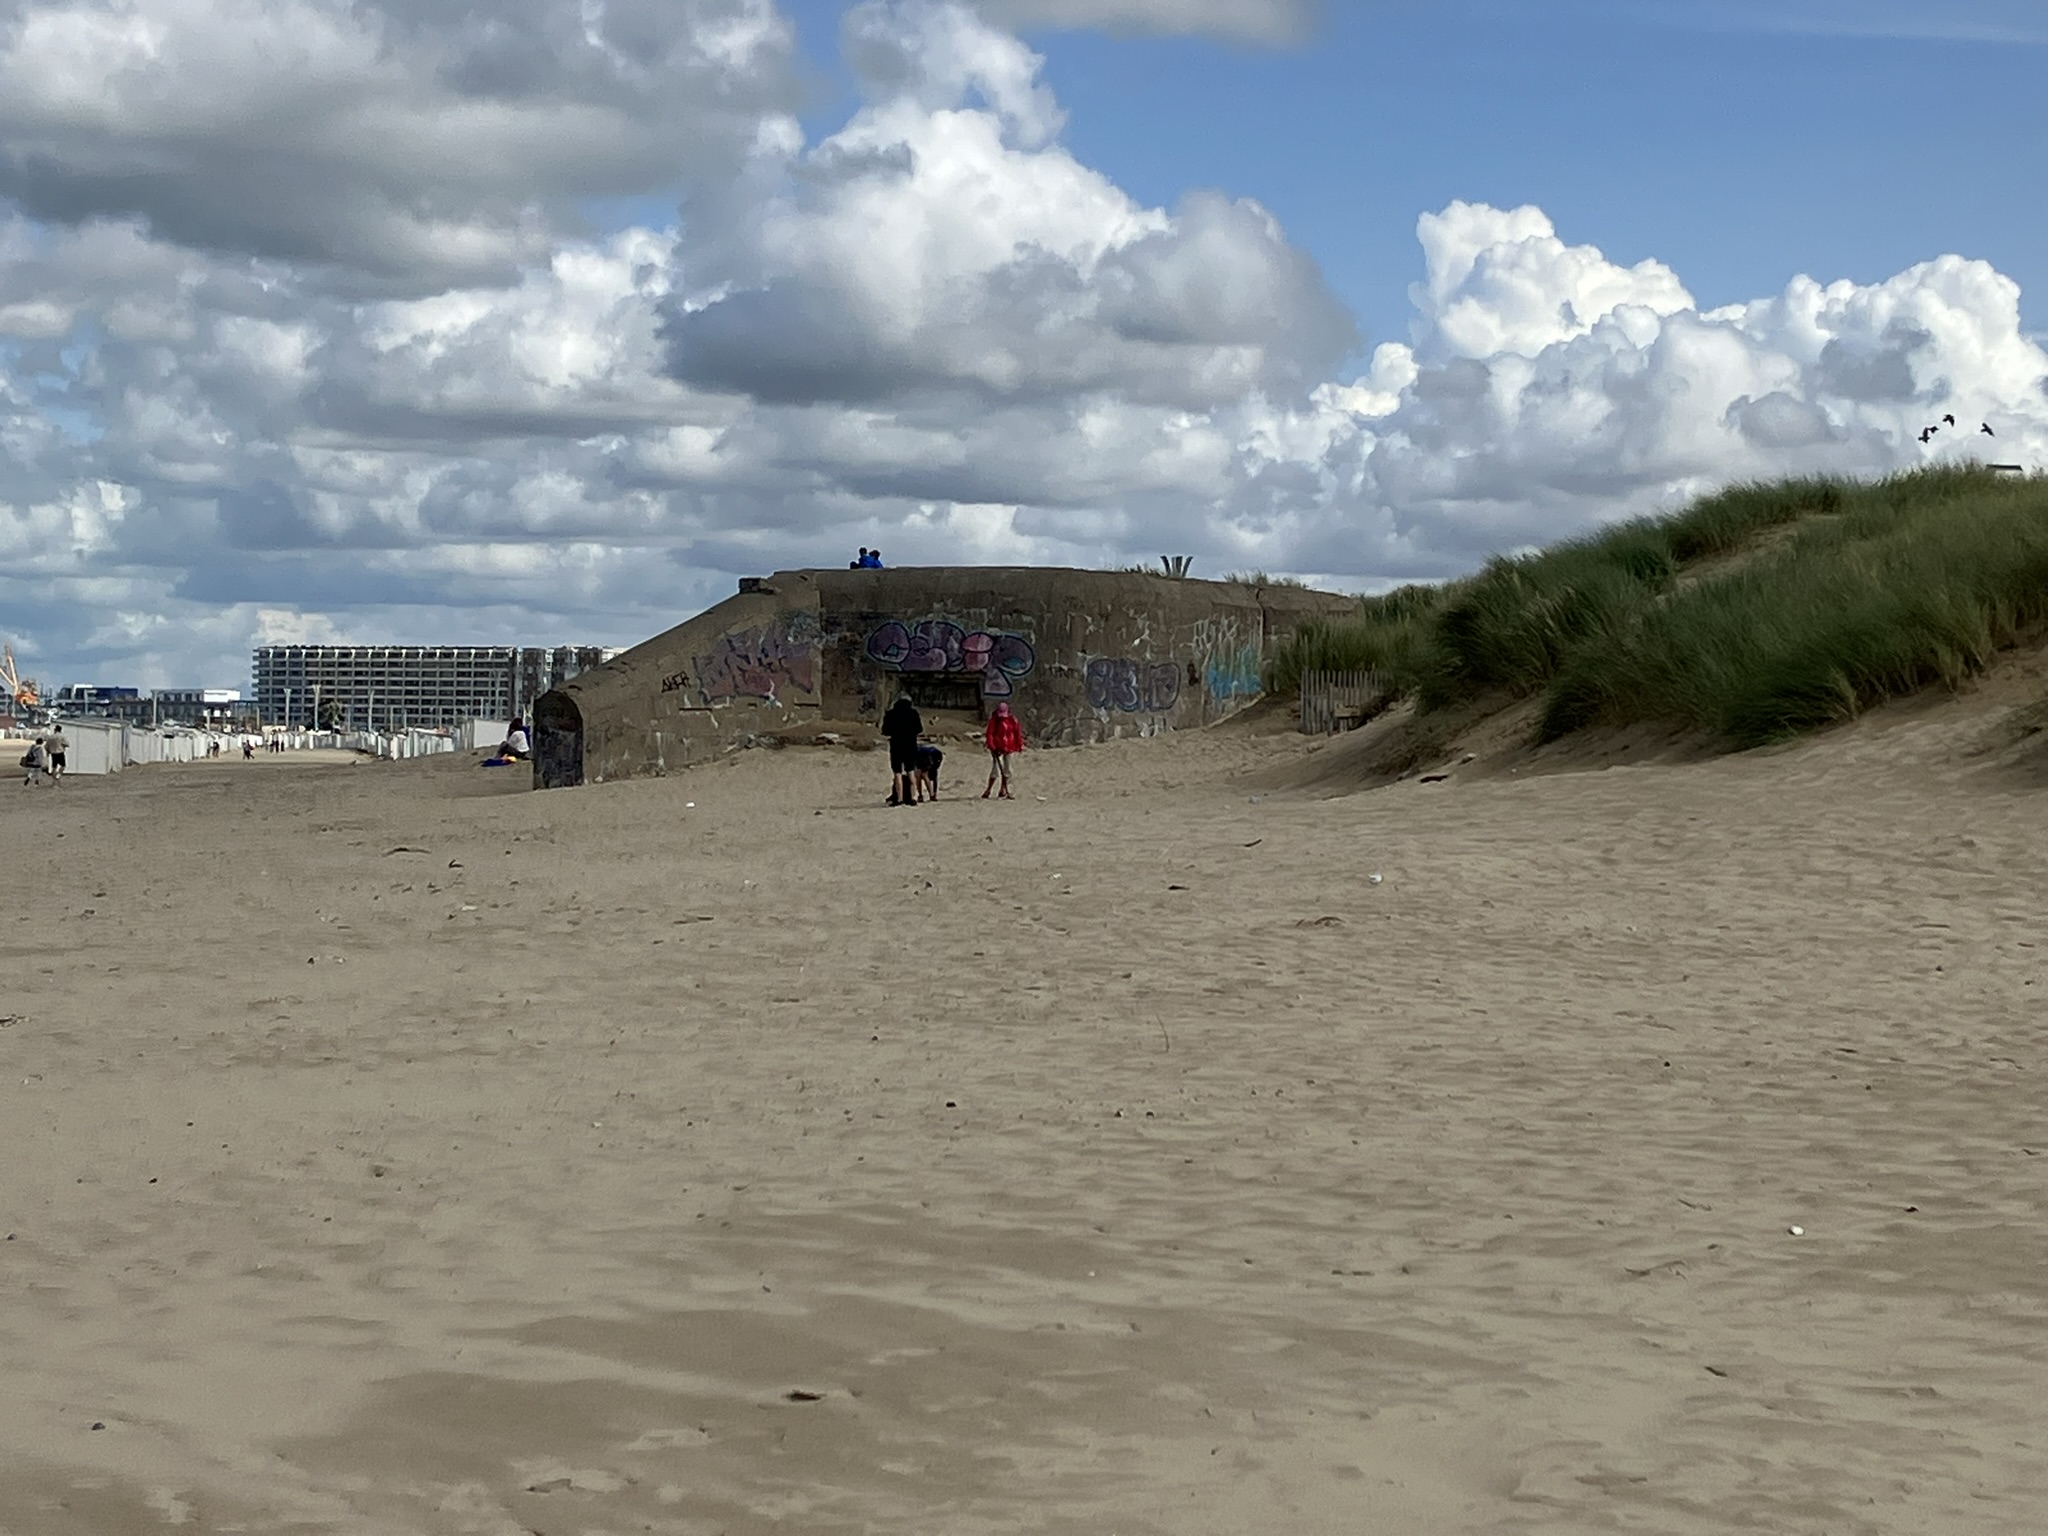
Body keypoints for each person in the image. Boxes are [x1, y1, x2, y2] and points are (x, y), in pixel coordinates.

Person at [880, 691, 923, 806]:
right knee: (910, 771)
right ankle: (913, 797)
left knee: (897, 772)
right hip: (910, 745)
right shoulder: (914, 713)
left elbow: (885, 731)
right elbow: (919, 729)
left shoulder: (890, 714)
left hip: (896, 745)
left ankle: (899, 798)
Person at [983, 701, 1023, 799]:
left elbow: (1017, 733)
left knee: (1007, 770)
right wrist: (992, 746)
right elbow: (990, 734)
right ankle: (988, 789)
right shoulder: (994, 721)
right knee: (995, 770)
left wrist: (1019, 745)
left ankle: (1003, 789)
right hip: (997, 749)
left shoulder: (1013, 720)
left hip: (1009, 748)